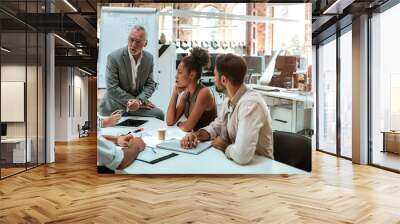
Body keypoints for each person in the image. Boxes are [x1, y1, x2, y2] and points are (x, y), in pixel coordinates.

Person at [180, 53, 273, 165]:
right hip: (237, 164)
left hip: (259, 169)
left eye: (215, 75)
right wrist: (196, 135)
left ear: (223, 80)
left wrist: (224, 146)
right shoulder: (229, 100)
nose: (214, 79)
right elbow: (216, 127)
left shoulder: (251, 104)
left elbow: (242, 156)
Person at [99, 25, 164, 120]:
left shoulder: (149, 58)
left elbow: (150, 84)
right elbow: (112, 88)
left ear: (145, 44)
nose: (133, 45)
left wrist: (139, 101)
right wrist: (134, 101)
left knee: (159, 114)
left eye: (138, 42)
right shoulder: (114, 57)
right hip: (114, 105)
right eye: (131, 39)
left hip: (137, 103)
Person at [166, 47, 217, 132]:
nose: (176, 76)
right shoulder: (187, 94)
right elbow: (170, 121)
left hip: (208, 141)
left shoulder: (204, 93)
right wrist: (175, 93)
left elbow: (187, 127)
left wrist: (180, 123)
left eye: (180, 72)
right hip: (196, 139)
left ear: (192, 75)